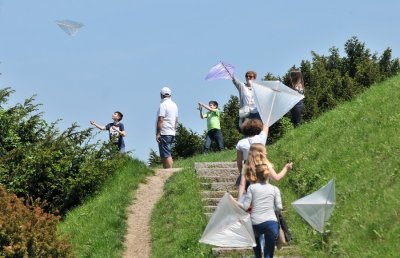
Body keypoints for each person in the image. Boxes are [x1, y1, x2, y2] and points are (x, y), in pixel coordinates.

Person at [231, 146, 283, 258]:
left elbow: (241, 185)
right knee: (269, 253)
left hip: (253, 212)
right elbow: (278, 207)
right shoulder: (274, 187)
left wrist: (237, 200)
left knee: (256, 238)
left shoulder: (247, 169)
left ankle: (258, 255)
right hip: (271, 220)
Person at [236, 119, 292, 200]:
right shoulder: (261, 138)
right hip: (262, 168)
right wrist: (286, 168)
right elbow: (266, 124)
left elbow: (239, 162)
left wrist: (243, 172)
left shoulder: (240, 143)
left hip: (248, 167)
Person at [156, 87, 178, 169]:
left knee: (166, 153)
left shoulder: (163, 105)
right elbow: (176, 119)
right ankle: (166, 172)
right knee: (165, 153)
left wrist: (158, 133)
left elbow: (161, 119)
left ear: (161, 95)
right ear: (170, 94)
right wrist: (174, 130)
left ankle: (170, 172)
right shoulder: (174, 105)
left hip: (164, 132)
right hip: (171, 132)